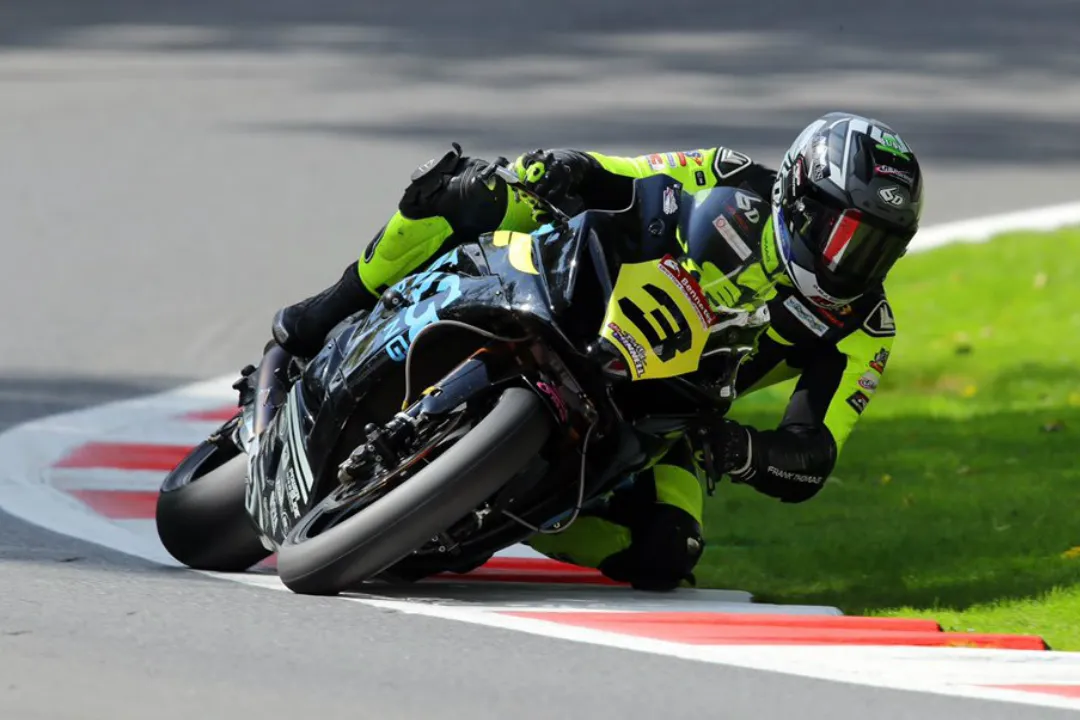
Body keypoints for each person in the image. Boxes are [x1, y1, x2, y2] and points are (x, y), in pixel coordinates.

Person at [265, 111, 923, 590]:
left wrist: (743, 451)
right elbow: (626, 177)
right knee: (477, 192)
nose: (853, 264)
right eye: (843, 236)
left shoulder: (865, 328)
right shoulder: (730, 176)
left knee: (670, 552)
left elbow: (814, 450)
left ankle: (494, 504)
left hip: (678, 411)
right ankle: (325, 311)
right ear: (800, 200)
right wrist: (565, 169)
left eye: (877, 248)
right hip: (599, 297)